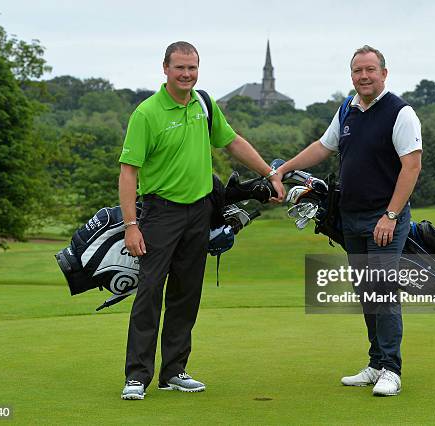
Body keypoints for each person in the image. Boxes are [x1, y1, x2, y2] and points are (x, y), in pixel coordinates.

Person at [118, 41, 284, 400]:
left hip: (198, 211)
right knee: (149, 293)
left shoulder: (203, 105)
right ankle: (137, 376)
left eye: (192, 68)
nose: (187, 74)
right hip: (160, 212)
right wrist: (132, 225)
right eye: (180, 68)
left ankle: (174, 371)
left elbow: (233, 142)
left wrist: (270, 173)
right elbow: (128, 172)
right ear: (165, 69)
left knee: (186, 294)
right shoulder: (147, 113)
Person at [272, 45, 422, 396]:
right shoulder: (347, 109)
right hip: (351, 218)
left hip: (385, 218)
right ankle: (375, 364)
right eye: (358, 71)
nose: (364, 76)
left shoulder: (401, 113)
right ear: (351, 75)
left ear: (384, 73)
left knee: (383, 290)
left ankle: (391, 369)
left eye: (370, 70)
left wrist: (391, 214)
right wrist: (284, 168)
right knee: (367, 291)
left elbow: (411, 166)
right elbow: (323, 147)